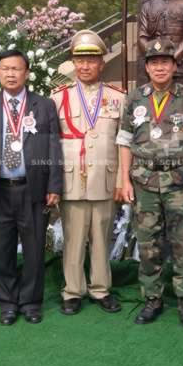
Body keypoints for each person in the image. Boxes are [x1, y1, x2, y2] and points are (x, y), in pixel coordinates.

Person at [116, 37, 183, 327]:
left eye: (165, 62)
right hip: (144, 182)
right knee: (148, 245)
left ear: (174, 65)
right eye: (154, 63)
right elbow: (124, 143)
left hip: (180, 180)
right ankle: (152, 298)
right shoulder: (134, 99)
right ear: (147, 67)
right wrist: (124, 181)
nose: (160, 67)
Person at [0, 49, 62, 326]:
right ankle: (7, 303)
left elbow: (55, 147)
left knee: (34, 249)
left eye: (16, 69)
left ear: (27, 73)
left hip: (33, 189)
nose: (11, 73)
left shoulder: (44, 106)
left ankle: (32, 302)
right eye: (5, 68)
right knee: (1, 249)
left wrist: (54, 184)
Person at [50, 30, 126, 316]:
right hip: (72, 180)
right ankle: (72, 291)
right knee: (72, 236)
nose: (85, 66)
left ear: (101, 63)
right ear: (73, 62)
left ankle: (100, 288)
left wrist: (121, 181)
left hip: (105, 179)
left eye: (91, 60)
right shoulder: (58, 98)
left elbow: (123, 142)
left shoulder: (118, 98)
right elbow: (51, 144)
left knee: (102, 235)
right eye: (79, 60)